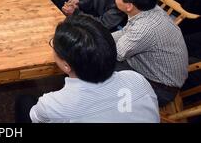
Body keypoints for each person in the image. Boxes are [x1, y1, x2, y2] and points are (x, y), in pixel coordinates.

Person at [16, 14, 159, 123]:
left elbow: (36, 117)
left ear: (66, 65)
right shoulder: (137, 79)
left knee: (24, 101)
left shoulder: (53, 104)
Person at [113, 0, 188, 107]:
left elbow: (117, 53)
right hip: (156, 74)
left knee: (98, 60)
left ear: (129, 5)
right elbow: (125, 32)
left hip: (159, 88)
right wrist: (98, 37)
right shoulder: (150, 9)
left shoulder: (144, 28)